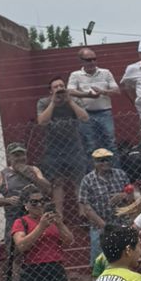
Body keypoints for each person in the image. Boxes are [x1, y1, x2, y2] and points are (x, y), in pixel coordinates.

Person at [35, 78, 89, 228]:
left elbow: (85, 118)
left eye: (62, 86)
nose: (59, 89)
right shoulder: (43, 102)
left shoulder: (73, 101)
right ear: (50, 91)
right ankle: (59, 217)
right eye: (56, 87)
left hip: (74, 147)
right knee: (57, 183)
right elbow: (42, 121)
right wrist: (53, 102)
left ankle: (83, 215)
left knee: (79, 181)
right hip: (53, 149)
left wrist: (70, 101)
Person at [10, 189, 69, 281]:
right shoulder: (21, 222)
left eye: (42, 201)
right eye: (34, 202)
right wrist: (41, 227)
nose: (39, 205)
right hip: (34, 270)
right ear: (26, 205)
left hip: (56, 267)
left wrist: (60, 224)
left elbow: (69, 241)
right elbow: (21, 245)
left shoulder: (52, 220)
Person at [77, 148, 129, 263]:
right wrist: (104, 226)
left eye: (107, 160)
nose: (105, 163)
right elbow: (86, 206)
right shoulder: (88, 180)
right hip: (99, 225)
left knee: (124, 257)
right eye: (101, 160)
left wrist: (123, 195)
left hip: (121, 222)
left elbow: (131, 195)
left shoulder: (120, 174)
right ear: (94, 162)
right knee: (99, 261)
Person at [0, 143, 52, 238]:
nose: (20, 158)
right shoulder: (2, 175)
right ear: (9, 157)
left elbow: (48, 188)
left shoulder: (34, 170)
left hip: (36, 216)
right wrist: (7, 200)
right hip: (14, 218)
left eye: (22, 155)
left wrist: (31, 176)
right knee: (15, 244)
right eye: (16, 155)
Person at [67, 47, 120, 152]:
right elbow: (70, 91)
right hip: (86, 113)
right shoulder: (75, 75)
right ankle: (93, 164)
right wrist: (87, 95)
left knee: (110, 142)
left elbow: (117, 91)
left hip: (104, 112)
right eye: (88, 60)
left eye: (94, 59)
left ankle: (114, 163)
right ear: (81, 61)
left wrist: (103, 92)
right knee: (90, 144)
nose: (92, 62)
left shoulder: (106, 73)